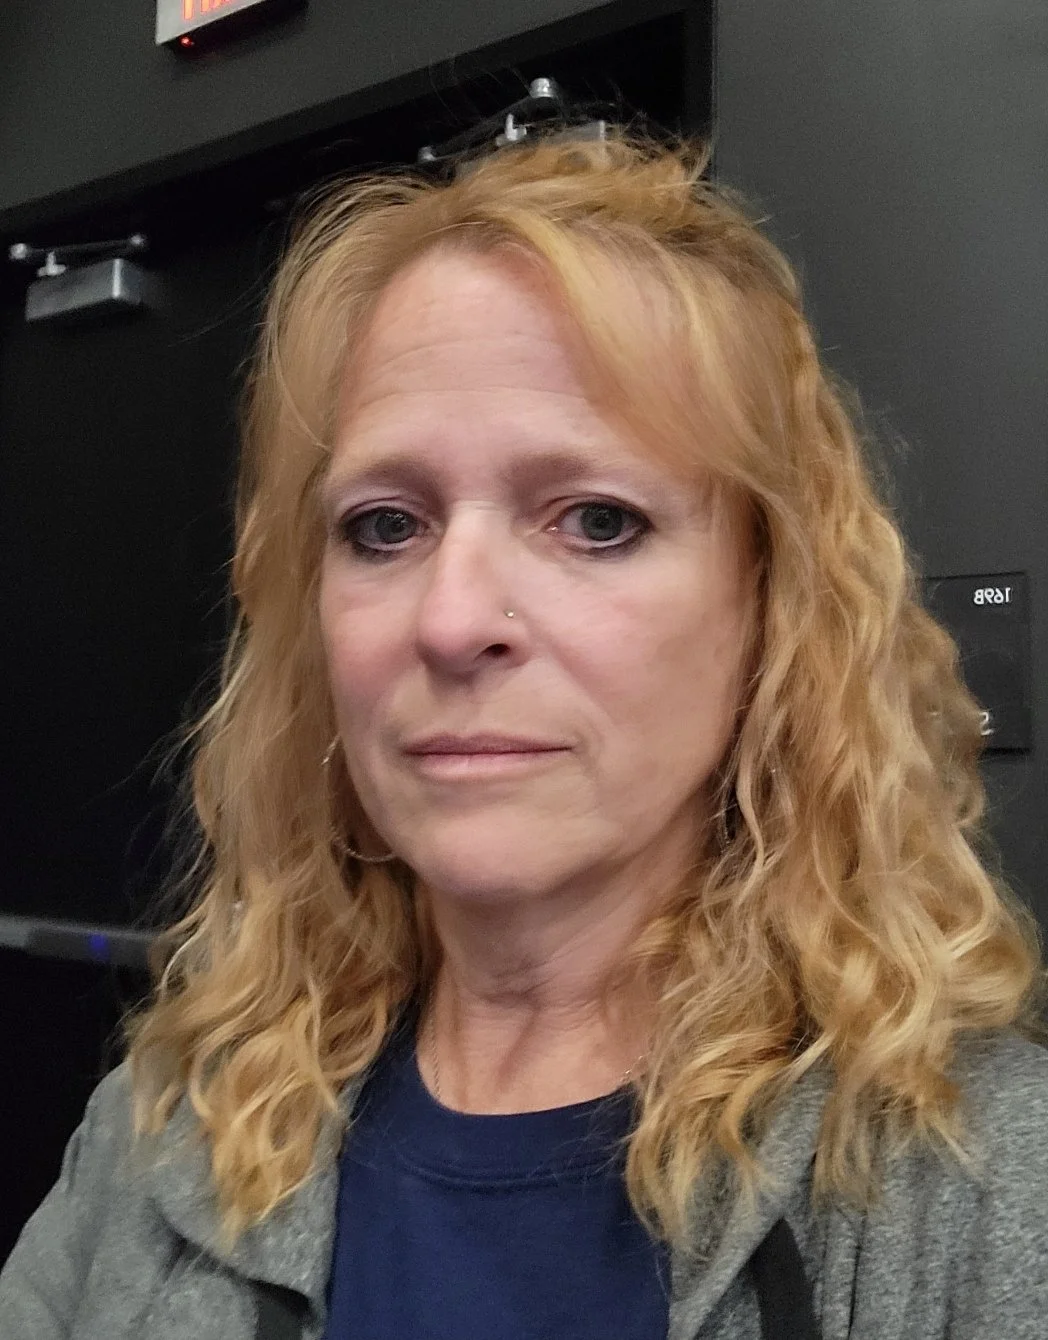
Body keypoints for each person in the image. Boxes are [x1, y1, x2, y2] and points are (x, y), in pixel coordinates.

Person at [1, 127, 1046, 1340]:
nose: (451, 619)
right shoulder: (169, 1121)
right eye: (385, 526)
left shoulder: (983, 1184)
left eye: (595, 519)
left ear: (772, 603)